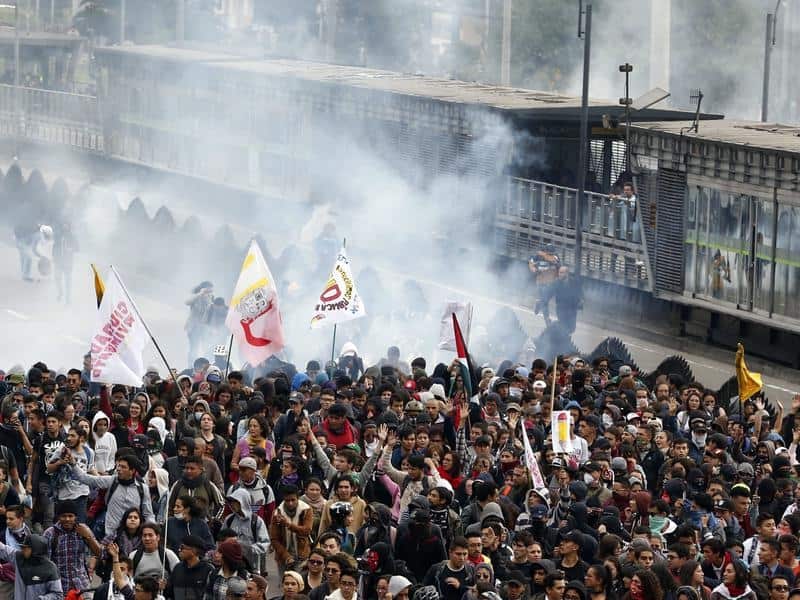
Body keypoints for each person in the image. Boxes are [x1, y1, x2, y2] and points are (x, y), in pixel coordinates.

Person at [43, 499, 102, 592]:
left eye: (70, 516)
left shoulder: (83, 529)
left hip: (81, 585)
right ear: (59, 517)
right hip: (59, 587)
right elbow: (45, 563)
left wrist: (87, 536)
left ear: (75, 517)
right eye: (64, 516)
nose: (67, 519)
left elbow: (100, 554)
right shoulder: (50, 534)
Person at [0, 533, 64, 599]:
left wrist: (42, 599)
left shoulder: (50, 568)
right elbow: (3, 549)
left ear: (36, 549)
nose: (23, 550)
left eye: (26, 548)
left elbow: (58, 595)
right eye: (23, 547)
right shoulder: (19, 558)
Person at [270, 484, 314, 572]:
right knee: (284, 583)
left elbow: (307, 531)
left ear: (298, 498)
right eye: (287, 500)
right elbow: (274, 539)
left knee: (300, 583)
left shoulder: (306, 510)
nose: (290, 503)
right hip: (283, 557)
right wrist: (286, 556)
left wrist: (288, 525)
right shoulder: (277, 513)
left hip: (301, 555)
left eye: (293, 500)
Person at [165, 534, 216, 600]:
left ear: (193, 551)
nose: (179, 550)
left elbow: (210, 595)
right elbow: (170, 592)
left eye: (182, 547)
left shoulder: (208, 570)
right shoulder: (178, 568)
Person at [535, 266, 582, 334]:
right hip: (561, 308)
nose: (559, 274)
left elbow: (579, 293)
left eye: (562, 273)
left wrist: (580, 301)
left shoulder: (574, 282)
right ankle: (555, 331)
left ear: (567, 273)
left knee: (571, 329)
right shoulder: (556, 283)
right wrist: (542, 301)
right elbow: (547, 293)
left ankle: (555, 326)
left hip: (572, 309)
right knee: (564, 328)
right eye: (559, 272)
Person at [185, 281, 215, 366]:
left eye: (211, 291)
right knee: (194, 348)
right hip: (193, 327)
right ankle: (191, 366)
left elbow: (210, 314)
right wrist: (200, 294)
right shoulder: (196, 296)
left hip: (204, 327)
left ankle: (205, 365)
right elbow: (187, 302)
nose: (210, 293)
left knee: (206, 347)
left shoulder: (210, 298)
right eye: (208, 291)